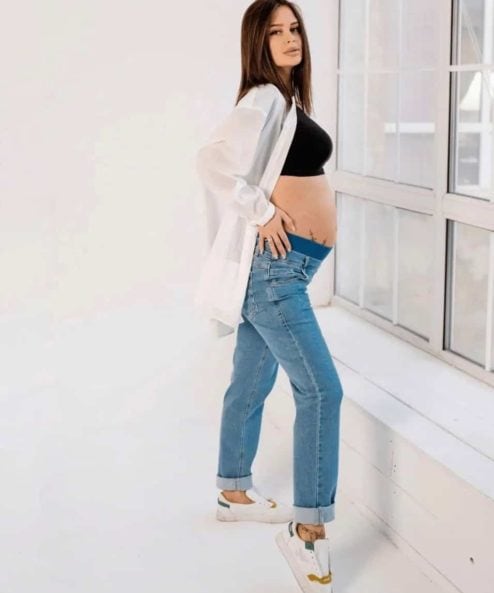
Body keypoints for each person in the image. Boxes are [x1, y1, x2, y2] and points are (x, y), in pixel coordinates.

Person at [195, 1, 343, 590]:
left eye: (295, 28)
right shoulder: (262, 99)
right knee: (322, 391)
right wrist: (260, 212)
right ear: (257, 43)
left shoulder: (286, 101)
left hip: (288, 272)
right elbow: (211, 162)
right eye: (275, 31)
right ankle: (307, 532)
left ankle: (233, 491)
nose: (290, 38)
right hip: (274, 275)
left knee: (251, 382)